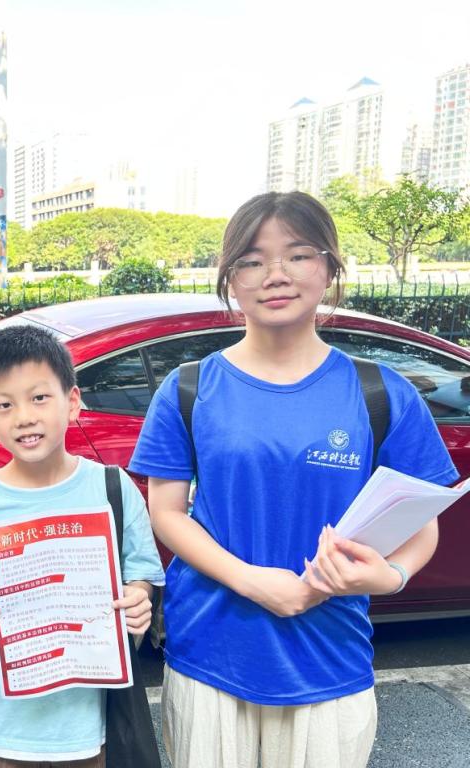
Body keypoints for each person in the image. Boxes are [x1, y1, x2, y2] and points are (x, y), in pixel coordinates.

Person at [128, 191, 460, 768]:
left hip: (330, 656)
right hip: (211, 654)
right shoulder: (188, 388)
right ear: (230, 279)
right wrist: (256, 583)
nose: (275, 274)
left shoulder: (382, 393)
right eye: (252, 260)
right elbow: (168, 513)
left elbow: (420, 524)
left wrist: (390, 576)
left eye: (299, 254)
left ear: (329, 268)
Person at [0, 323, 165, 767]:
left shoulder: (111, 487)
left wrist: (138, 598)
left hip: (84, 731)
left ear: (72, 401)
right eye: (5, 405)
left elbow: (142, 572)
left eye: (39, 397)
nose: (24, 416)